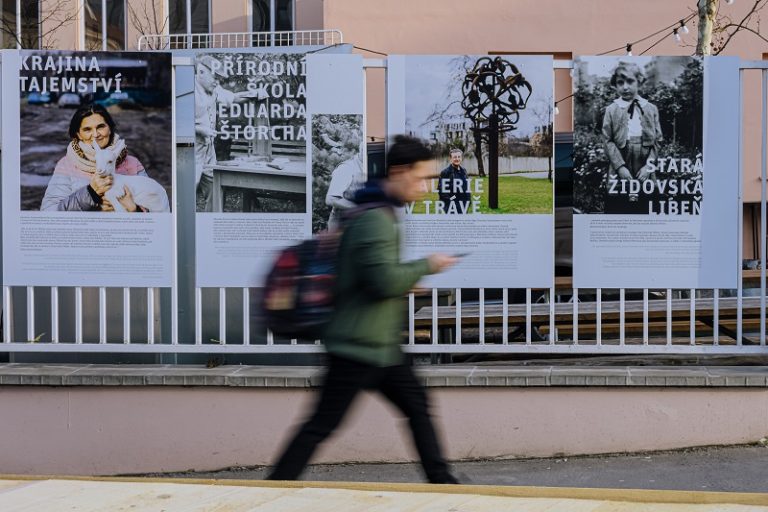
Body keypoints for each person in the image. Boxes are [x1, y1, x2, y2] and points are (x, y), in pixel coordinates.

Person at [267, 135, 460, 484]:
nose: (427, 187)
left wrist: (406, 279)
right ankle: (272, 490)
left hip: (381, 346)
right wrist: (426, 266)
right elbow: (382, 281)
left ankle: (445, 486)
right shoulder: (375, 218)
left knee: (417, 409)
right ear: (399, 172)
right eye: (421, 178)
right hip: (357, 346)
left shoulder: (380, 212)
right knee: (321, 426)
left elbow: (372, 274)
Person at [40, 104, 167, 212]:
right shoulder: (67, 164)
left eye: (101, 127)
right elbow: (49, 211)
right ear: (78, 134)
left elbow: (157, 209)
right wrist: (91, 194)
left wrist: (135, 210)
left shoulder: (132, 163)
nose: (95, 135)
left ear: (110, 128)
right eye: (87, 129)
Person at [195, 54, 267, 212]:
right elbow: (176, 122)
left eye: (219, 79)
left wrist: (254, 94)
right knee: (186, 193)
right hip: (190, 150)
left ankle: (209, 227)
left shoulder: (213, 89)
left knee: (215, 189)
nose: (217, 82)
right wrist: (201, 129)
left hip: (208, 150)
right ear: (201, 72)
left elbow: (233, 97)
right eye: (215, 77)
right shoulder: (187, 90)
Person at [602, 61, 663, 209]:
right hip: (621, 156)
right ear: (615, 85)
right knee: (619, 200)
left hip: (644, 159)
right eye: (620, 83)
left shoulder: (650, 108)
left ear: (639, 82)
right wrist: (620, 167)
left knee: (645, 200)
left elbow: (658, 140)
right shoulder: (611, 110)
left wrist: (648, 166)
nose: (625, 87)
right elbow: (607, 140)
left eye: (630, 81)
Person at [324, 131, 366, 230]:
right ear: (360, 151)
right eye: (366, 151)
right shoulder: (346, 168)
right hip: (341, 229)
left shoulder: (370, 167)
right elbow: (330, 200)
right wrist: (361, 208)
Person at [438, 148, 470, 214]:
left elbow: (466, 187)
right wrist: (451, 201)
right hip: (452, 206)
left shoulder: (464, 170)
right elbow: (441, 191)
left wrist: (468, 200)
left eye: (459, 157)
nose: (457, 159)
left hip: (463, 204)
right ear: (450, 159)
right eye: (455, 157)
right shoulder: (445, 172)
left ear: (461, 158)